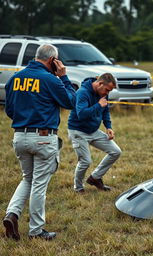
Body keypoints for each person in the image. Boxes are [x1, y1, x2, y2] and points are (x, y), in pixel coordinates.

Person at [3, 44, 76, 241]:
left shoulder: (15, 78)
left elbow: (9, 110)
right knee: (39, 184)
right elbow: (71, 102)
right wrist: (64, 77)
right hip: (43, 137)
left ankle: (12, 214)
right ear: (53, 61)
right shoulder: (50, 79)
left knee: (28, 178)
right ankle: (36, 231)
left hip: (19, 136)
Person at [68, 73, 121, 193]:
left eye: (109, 91)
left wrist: (108, 127)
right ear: (100, 83)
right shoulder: (83, 92)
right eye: (107, 90)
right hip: (78, 131)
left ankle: (95, 178)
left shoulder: (102, 93)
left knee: (116, 151)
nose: (107, 93)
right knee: (85, 161)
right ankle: (78, 188)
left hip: (93, 131)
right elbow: (81, 114)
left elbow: (105, 110)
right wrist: (98, 105)